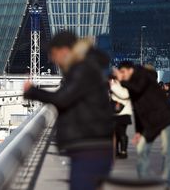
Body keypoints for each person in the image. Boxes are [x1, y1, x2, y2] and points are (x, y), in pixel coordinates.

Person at [23, 32, 113, 190]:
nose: (51, 59)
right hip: (93, 146)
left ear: (64, 51)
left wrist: (32, 92)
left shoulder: (82, 68)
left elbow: (62, 99)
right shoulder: (87, 66)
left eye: (53, 54)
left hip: (89, 148)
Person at [115, 61, 170, 183]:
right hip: (150, 121)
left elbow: (139, 88)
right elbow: (137, 109)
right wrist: (138, 132)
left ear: (130, 70)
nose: (121, 75)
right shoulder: (131, 84)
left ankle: (166, 181)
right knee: (142, 149)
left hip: (164, 117)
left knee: (166, 150)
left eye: (123, 72)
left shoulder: (143, 74)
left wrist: (122, 81)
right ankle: (145, 179)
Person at [109, 75, 133, 159]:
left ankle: (123, 151)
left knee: (122, 132)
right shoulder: (114, 85)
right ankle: (115, 151)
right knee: (114, 133)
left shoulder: (124, 85)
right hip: (114, 113)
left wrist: (113, 86)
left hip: (123, 113)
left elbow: (125, 94)